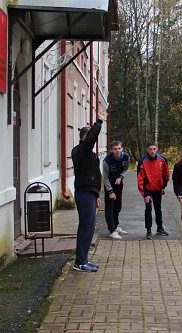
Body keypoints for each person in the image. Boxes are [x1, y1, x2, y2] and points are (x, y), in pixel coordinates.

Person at [71, 106, 105, 272]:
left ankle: (83, 259)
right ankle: (80, 261)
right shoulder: (81, 151)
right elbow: (91, 139)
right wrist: (98, 122)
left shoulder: (88, 154)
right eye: (90, 136)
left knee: (89, 227)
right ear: (85, 138)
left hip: (89, 192)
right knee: (86, 226)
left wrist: (96, 193)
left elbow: (95, 174)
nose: (93, 140)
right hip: (84, 193)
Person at [137, 142, 170, 240]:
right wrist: (145, 194)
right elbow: (140, 179)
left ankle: (160, 227)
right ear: (147, 149)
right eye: (150, 149)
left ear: (157, 149)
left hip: (158, 188)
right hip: (147, 188)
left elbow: (166, 174)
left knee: (158, 208)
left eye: (154, 149)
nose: (152, 151)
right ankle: (148, 230)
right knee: (148, 209)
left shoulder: (162, 159)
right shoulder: (142, 161)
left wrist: (163, 186)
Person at [102, 141, 130, 240]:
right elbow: (105, 178)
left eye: (119, 148)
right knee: (110, 208)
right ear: (111, 150)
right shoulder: (107, 161)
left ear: (122, 148)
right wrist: (110, 192)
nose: (117, 151)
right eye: (115, 149)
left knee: (118, 206)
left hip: (119, 184)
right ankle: (111, 230)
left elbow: (126, 168)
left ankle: (116, 225)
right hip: (109, 185)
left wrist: (121, 177)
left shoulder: (126, 157)